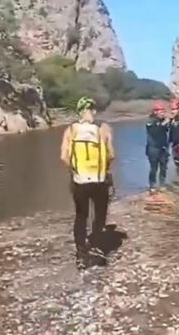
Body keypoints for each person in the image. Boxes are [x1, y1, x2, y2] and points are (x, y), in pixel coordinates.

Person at [60, 96, 115, 268]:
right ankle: (97, 247)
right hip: (99, 180)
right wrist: (103, 169)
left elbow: (63, 157)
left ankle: (81, 253)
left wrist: (74, 171)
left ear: (79, 111)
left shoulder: (70, 130)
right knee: (99, 215)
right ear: (94, 110)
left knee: (81, 216)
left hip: (79, 181)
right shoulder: (104, 128)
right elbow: (111, 154)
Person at [145, 101, 170, 194]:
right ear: (155, 112)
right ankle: (152, 185)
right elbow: (154, 131)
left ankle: (162, 184)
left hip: (163, 147)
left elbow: (167, 130)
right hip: (153, 148)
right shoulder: (150, 121)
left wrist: (167, 123)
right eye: (161, 111)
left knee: (164, 167)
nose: (163, 113)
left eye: (163, 111)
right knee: (153, 168)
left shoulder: (163, 120)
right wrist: (163, 123)